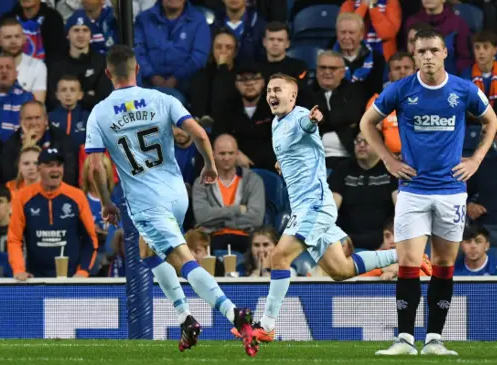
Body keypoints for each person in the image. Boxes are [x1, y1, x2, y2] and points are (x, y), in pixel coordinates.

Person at [84, 45, 259, 356]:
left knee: (181, 259)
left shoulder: (99, 112)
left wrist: (106, 202)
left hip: (145, 201)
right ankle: (185, 318)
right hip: (177, 194)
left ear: (108, 73)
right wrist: (210, 164)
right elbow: (200, 134)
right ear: (136, 69)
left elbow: (94, 165)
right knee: (146, 251)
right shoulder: (163, 99)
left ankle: (235, 313)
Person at [359, 28, 497, 356]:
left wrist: (476, 159)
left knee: (443, 264)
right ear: (414, 54)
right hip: (412, 191)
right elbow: (367, 123)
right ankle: (405, 339)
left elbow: (491, 121)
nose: (428, 57)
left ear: (444, 53)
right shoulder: (400, 89)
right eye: (421, 52)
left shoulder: (463, 90)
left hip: (451, 191)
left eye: (434, 50)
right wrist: (389, 161)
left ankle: (434, 338)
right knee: (408, 262)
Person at [231, 72, 399, 343]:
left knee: (279, 257)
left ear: (293, 96)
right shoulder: (277, 123)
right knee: (340, 271)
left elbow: (308, 126)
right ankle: (403, 255)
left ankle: (267, 325)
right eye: (270, 90)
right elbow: (294, 149)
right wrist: (282, 162)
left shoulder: (299, 116)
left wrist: (313, 120)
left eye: (278, 90)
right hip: (304, 208)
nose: (272, 95)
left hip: (314, 207)